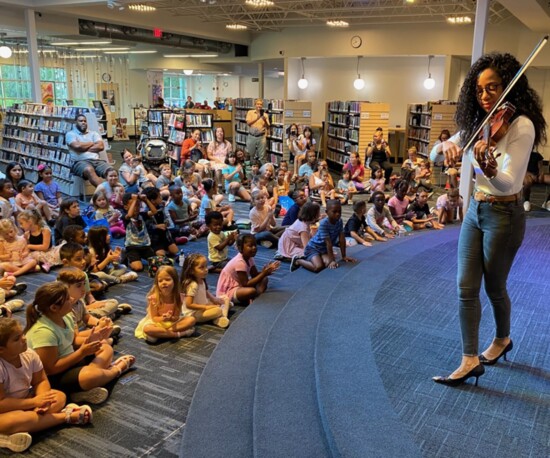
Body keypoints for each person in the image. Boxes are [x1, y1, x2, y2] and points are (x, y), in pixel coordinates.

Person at [432, 52, 546, 387]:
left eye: (493, 87)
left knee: (495, 287)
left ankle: (502, 339)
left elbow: (509, 182)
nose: (485, 96)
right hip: (475, 212)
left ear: (509, 87)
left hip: (505, 215)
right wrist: (446, 149)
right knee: (465, 287)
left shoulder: (521, 124)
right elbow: (434, 153)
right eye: (479, 90)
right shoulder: (478, 123)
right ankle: (469, 360)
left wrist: (481, 163)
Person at [25, 282, 135, 403]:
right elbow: (50, 369)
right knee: (90, 376)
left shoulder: (65, 316)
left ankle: (80, 389)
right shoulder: (43, 332)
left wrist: (97, 335)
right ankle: (115, 370)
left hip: (71, 360)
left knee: (105, 347)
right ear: (54, 308)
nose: (72, 299)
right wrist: (82, 352)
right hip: (55, 376)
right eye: (67, 299)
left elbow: (73, 341)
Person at [0, 318, 92, 453]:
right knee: (20, 419)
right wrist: (33, 402)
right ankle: (64, 417)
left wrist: (42, 401)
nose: (24, 339)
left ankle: (26, 426)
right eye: (16, 339)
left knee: (59, 396)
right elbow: (1, 403)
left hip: (25, 401)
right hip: (4, 411)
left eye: (23, 334)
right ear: (1, 350)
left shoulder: (29, 354)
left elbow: (40, 381)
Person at [290, 200, 357, 273]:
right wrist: (332, 260)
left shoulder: (339, 221)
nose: (337, 214)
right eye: (334, 212)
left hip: (323, 249)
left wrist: (344, 256)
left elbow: (342, 239)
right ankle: (298, 261)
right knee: (318, 267)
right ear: (327, 212)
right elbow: (328, 243)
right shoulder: (324, 224)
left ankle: (317, 258)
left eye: (339, 211)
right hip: (313, 248)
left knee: (329, 264)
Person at [134, 266, 196, 343]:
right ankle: (179, 334)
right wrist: (163, 318)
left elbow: (176, 317)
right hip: (157, 323)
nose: (164, 283)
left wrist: (170, 317)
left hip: (171, 323)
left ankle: (162, 334)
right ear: (157, 283)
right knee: (147, 329)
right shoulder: (154, 298)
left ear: (175, 281)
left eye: (167, 279)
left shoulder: (178, 297)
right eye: (160, 281)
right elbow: (154, 318)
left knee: (191, 320)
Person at [216, 234, 280, 304]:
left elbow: (254, 275)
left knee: (264, 279)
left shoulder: (250, 258)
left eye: (255, 245)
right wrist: (263, 273)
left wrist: (265, 272)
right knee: (251, 291)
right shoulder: (240, 262)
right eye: (250, 246)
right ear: (241, 248)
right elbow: (246, 284)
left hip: (240, 284)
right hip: (229, 290)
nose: (254, 248)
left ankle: (256, 295)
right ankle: (254, 295)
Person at [180, 254, 231, 328]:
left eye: (206, 266)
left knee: (225, 298)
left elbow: (206, 292)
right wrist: (207, 307)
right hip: (194, 313)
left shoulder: (201, 279)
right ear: (191, 271)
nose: (206, 269)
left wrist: (214, 299)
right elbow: (189, 305)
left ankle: (219, 317)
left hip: (203, 305)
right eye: (201, 267)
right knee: (218, 310)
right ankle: (222, 317)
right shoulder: (193, 285)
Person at [66, 113, 111, 187]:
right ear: (75, 122)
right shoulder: (70, 134)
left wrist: (83, 148)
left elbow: (100, 146)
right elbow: (77, 146)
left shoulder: (93, 133)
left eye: (84, 121)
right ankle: (105, 192)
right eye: (80, 121)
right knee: (89, 170)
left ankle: (115, 193)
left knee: (111, 171)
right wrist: (91, 143)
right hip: (79, 162)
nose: (83, 122)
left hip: (96, 161)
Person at [246, 98, 270, 164]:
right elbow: (248, 123)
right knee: (250, 154)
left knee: (262, 156)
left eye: (261, 104)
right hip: (252, 136)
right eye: (258, 104)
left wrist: (264, 120)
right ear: (255, 105)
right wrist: (257, 118)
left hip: (261, 137)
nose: (259, 105)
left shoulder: (265, 115)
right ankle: (251, 169)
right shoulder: (250, 112)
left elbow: (268, 126)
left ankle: (262, 169)